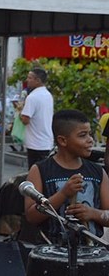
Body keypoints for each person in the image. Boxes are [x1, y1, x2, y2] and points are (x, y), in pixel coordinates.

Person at [24, 110, 109, 244]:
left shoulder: (98, 172)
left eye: (90, 134)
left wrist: (92, 213)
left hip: (92, 254)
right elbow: (31, 216)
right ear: (63, 140)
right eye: (82, 135)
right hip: (51, 251)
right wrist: (63, 193)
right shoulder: (40, 170)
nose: (90, 140)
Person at [21, 68, 54, 168]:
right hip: (46, 140)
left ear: (38, 80)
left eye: (30, 78)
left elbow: (25, 119)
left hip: (35, 142)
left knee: (35, 172)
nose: (27, 80)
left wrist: (20, 112)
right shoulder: (48, 95)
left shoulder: (32, 97)